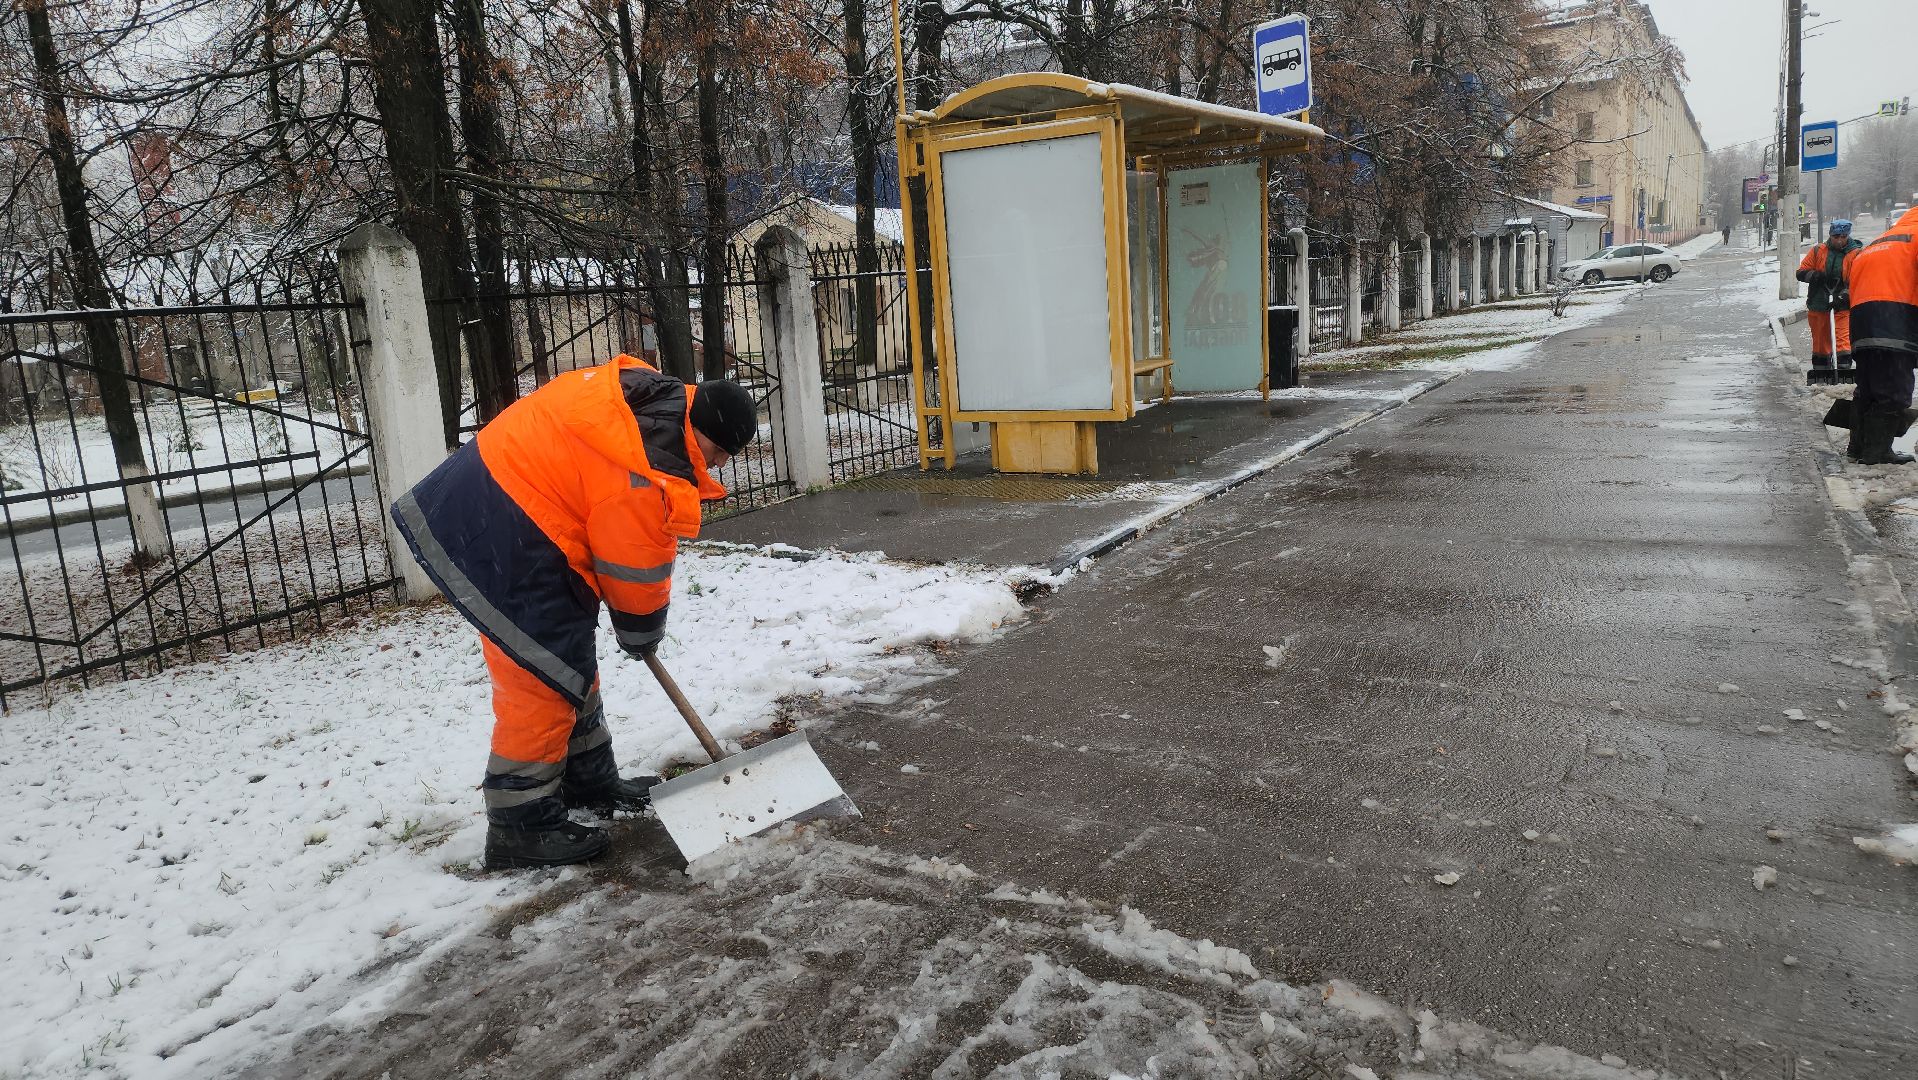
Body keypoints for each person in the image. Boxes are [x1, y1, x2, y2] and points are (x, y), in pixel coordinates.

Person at [390, 355, 759, 869]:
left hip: (505, 502)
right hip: (510, 528)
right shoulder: (648, 468)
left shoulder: (649, 401)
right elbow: (634, 571)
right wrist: (641, 631)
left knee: (565, 660)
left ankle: (588, 780)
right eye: (718, 452)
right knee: (540, 680)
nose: (717, 466)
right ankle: (521, 824)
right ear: (700, 428)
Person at [1845, 207, 1918, 465]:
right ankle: (1876, 453)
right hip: (1895, 319)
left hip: (1862, 322)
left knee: (1868, 388)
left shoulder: (1878, 242)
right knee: (1894, 391)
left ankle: (1858, 447)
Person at [1797, 219, 1862, 376]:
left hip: (1842, 306)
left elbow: (1858, 280)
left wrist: (1844, 296)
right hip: (1818, 303)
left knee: (1842, 340)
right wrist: (1815, 276)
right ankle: (1821, 373)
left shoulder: (1856, 254)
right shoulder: (1818, 251)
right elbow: (1801, 272)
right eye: (1836, 237)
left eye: (1843, 237)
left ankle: (1843, 371)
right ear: (1830, 235)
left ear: (1848, 235)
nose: (1839, 240)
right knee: (1820, 343)